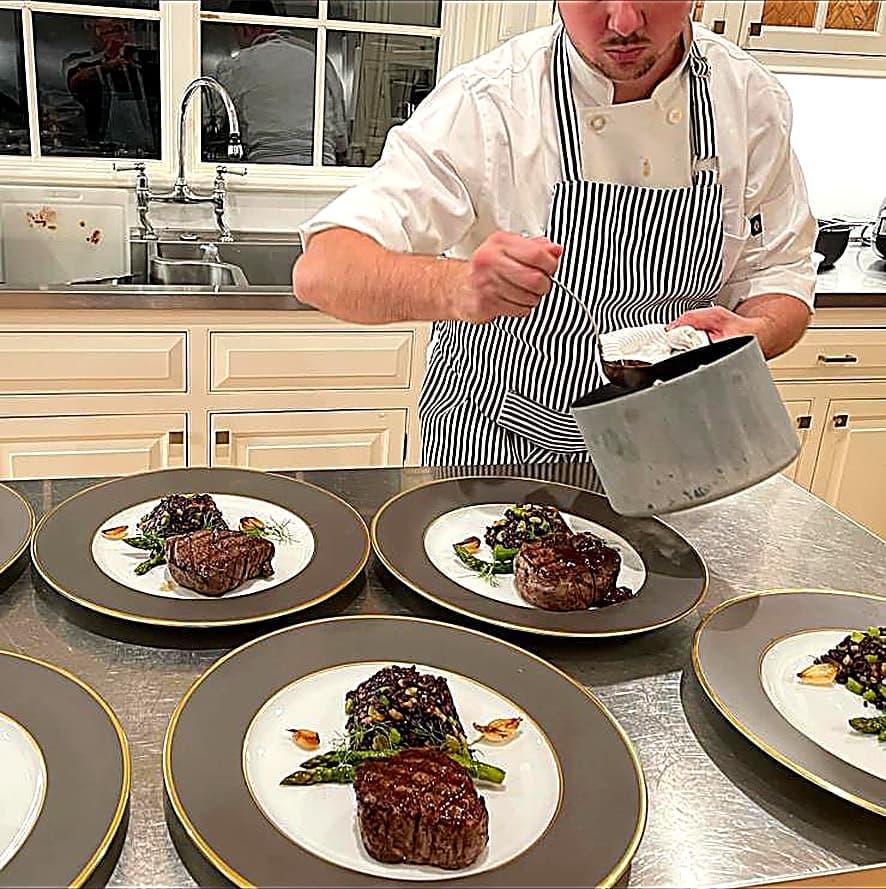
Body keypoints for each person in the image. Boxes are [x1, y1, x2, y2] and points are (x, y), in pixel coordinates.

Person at [293, 1, 816, 466]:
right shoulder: (489, 102)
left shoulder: (749, 98)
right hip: (497, 451)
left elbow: (781, 271)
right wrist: (458, 287)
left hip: (670, 446)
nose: (625, 20)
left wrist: (757, 333)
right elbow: (323, 271)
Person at [215, 0, 347, 165]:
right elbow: (341, 138)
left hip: (266, 168)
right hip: (321, 168)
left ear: (245, 28)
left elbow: (214, 124)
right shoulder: (319, 59)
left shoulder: (235, 66)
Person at [64, 17, 160, 155]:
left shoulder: (142, 64)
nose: (125, 35)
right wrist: (110, 62)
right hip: (104, 151)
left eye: (127, 29)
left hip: (146, 148)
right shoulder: (80, 62)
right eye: (116, 30)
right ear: (96, 32)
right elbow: (77, 82)